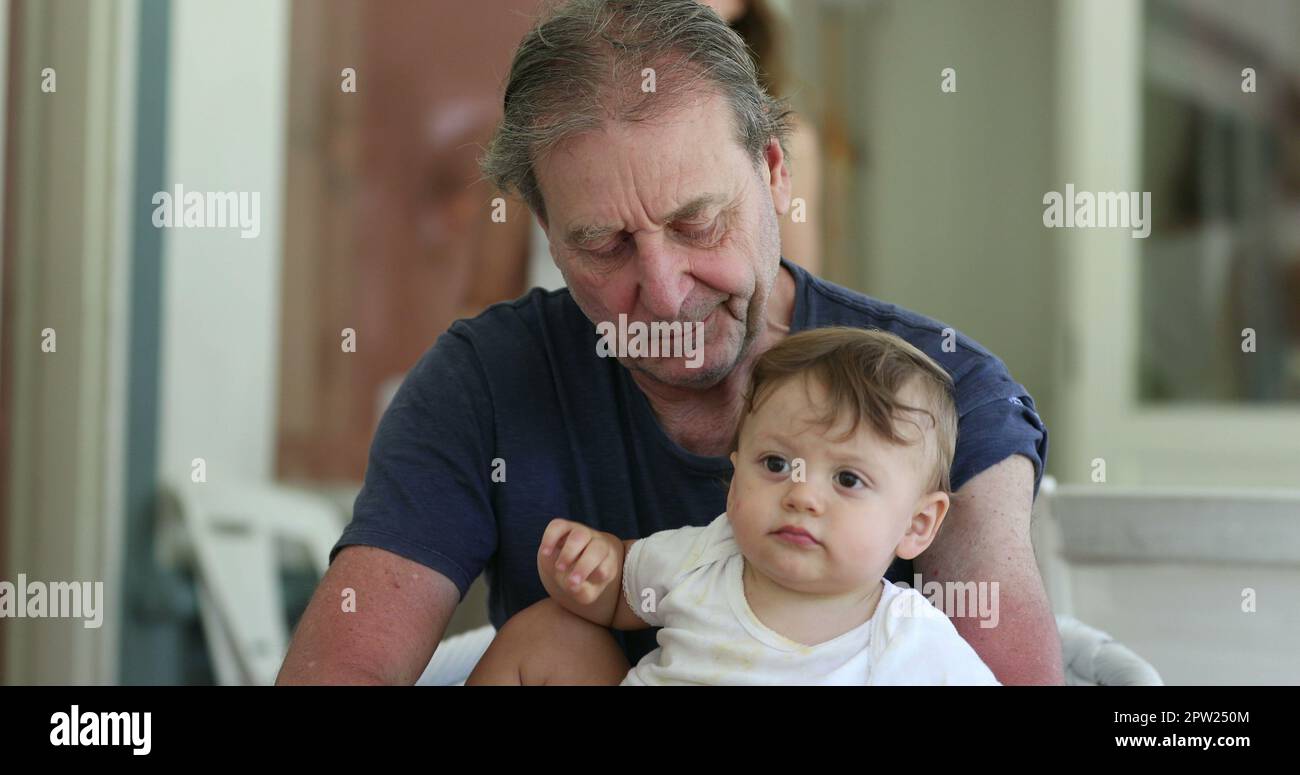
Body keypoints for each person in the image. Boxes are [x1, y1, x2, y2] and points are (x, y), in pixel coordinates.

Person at [276, 0, 1062, 686]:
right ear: (547, 232)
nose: (664, 290)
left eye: (698, 222)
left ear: (776, 172)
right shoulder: (482, 382)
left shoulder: (938, 395)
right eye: (604, 243)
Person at [469, 327, 1001, 685]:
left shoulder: (907, 640)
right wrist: (591, 566)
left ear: (916, 524)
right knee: (546, 633)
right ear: (733, 474)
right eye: (774, 464)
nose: (801, 495)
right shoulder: (706, 556)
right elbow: (616, 598)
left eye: (847, 478)